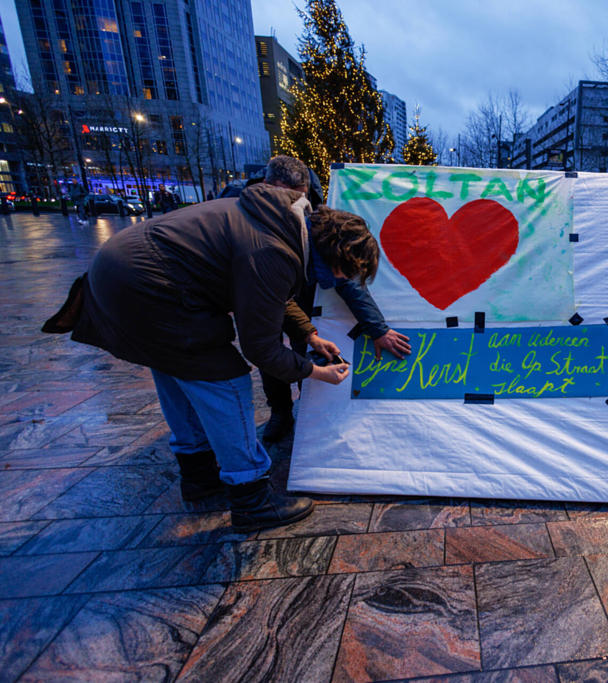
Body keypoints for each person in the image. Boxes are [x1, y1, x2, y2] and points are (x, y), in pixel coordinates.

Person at [42, 156, 375, 532]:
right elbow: (261, 348)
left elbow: (269, 296)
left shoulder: (282, 223)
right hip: (148, 286)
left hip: (120, 274)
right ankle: (251, 496)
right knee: (224, 379)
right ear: (330, 252)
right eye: (342, 272)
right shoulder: (274, 250)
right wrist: (315, 372)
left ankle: (198, 473)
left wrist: (309, 335)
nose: (337, 281)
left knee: (176, 368)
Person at [219, 165, 411, 442]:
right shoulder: (259, 237)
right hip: (253, 289)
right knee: (269, 352)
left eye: (297, 198)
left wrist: (373, 328)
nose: (288, 206)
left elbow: (344, 275)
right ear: (266, 186)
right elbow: (261, 346)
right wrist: (317, 372)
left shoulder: (317, 225)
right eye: (281, 196)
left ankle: (307, 407)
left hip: (296, 295)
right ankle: (281, 412)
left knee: (301, 346)